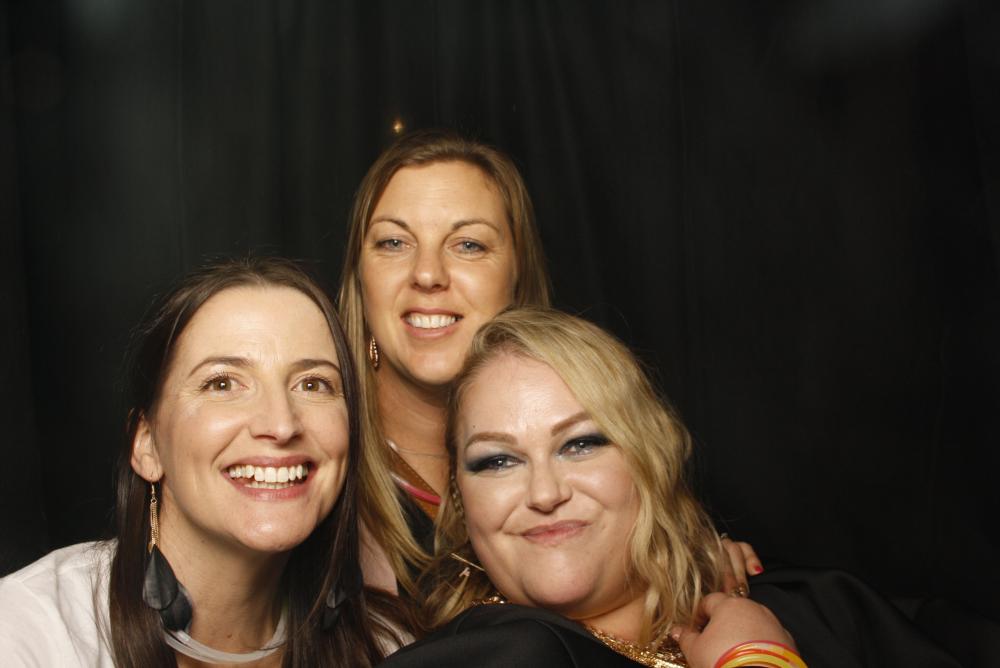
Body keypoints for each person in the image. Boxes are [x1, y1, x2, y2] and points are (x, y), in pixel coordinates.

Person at [380, 307, 965, 668]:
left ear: (648, 458)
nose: (545, 492)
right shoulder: (494, 656)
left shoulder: (820, 606)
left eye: (581, 443)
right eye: (498, 460)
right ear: (461, 499)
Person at [337, 129, 760, 596]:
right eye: (394, 243)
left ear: (518, 273)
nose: (427, 274)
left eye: (469, 245)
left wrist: (688, 566)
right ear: (360, 277)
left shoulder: (606, 434)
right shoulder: (320, 473)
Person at [0, 257, 411, 666]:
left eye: (313, 384)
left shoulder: (386, 647)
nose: (281, 424)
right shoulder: (29, 633)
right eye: (223, 383)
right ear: (146, 445)